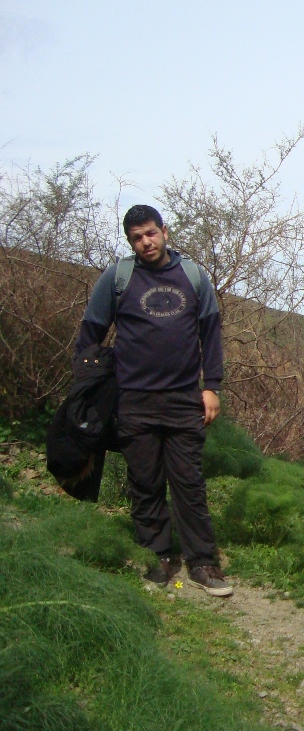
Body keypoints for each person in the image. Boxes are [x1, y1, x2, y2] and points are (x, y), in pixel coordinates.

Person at [75, 204, 231, 596]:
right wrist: (90, 381)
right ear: (131, 242)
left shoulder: (193, 276)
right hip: (133, 399)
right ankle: (158, 556)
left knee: (189, 483)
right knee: (144, 482)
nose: (145, 242)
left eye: (150, 233)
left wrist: (210, 386)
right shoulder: (119, 277)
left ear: (164, 231)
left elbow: (210, 334)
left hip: (183, 398)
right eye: (136, 238)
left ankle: (203, 563)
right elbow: (92, 330)